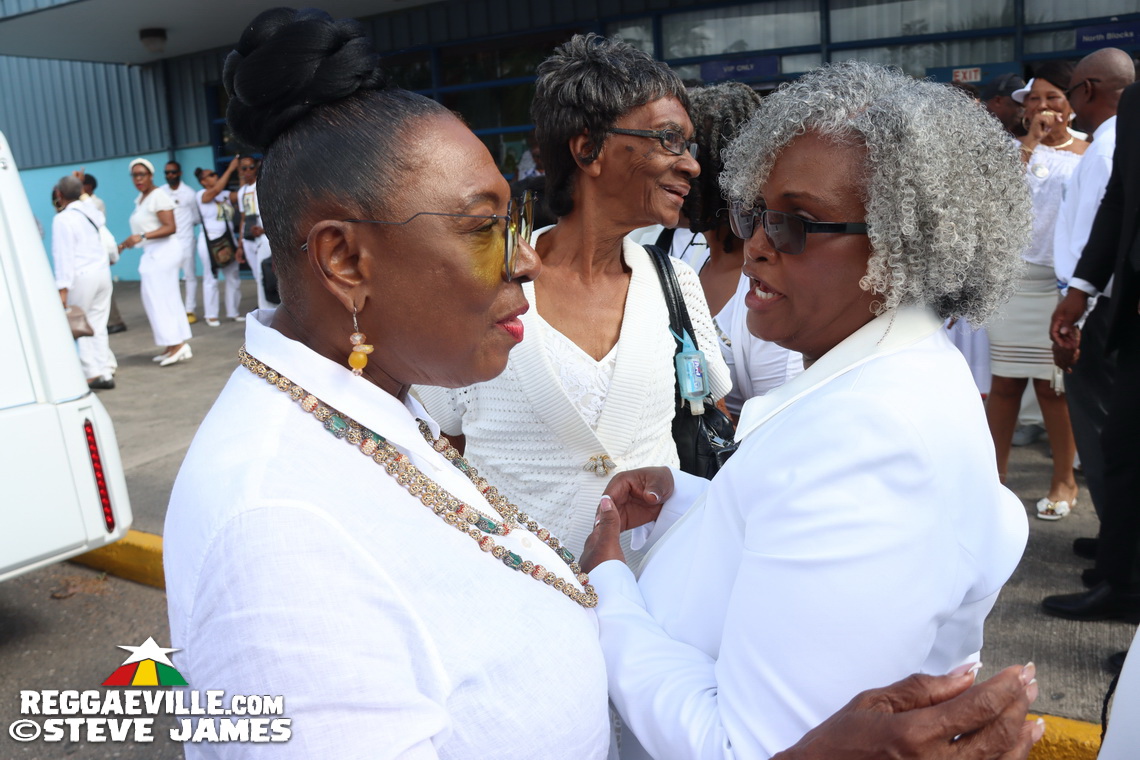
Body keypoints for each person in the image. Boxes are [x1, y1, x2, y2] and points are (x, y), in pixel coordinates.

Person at [165, 11, 1044, 760]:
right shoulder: (270, 534)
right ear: (345, 258)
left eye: (513, 219)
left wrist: (687, 509)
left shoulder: (364, 408)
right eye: (483, 229)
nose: (521, 258)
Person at [580, 61, 1032, 760]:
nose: (757, 244)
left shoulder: (874, 439)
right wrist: (691, 502)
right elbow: (793, 518)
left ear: (904, 246)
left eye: (797, 224)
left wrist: (608, 583)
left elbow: (743, 747)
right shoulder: (887, 385)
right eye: (754, 212)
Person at [416, 34, 730, 569]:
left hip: (658, 602)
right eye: (668, 140)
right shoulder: (484, 286)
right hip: (523, 605)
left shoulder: (677, 284)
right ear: (588, 149)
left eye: (689, 146)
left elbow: (708, 411)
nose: (692, 165)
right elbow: (443, 447)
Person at [1042, 79, 1140, 629]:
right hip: (1119, 303)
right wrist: (1080, 290)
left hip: (1109, 306)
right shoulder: (1135, 108)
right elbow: (1120, 204)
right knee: (1122, 446)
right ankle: (1121, 573)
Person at [985, 62, 1087, 520]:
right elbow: (997, 198)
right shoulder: (1009, 151)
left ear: (1071, 104)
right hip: (1011, 284)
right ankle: (994, 480)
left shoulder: (1090, 152)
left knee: (1053, 389)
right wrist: (1031, 144)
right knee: (1003, 385)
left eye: (1053, 98)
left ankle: (1064, 480)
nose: (1044, 106)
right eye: (1035, 99)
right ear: (1024, 109)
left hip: (1059, 285)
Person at [682, 82, 803, 417]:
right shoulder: (687, 258)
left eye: (683, 151)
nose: (670, 165)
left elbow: (780, 419)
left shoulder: (768, 281)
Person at [119, 157, 192, 366]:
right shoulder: (142, 199)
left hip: (164, 251)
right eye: (134, 175)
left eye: (142, 174)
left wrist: (142, 237)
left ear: (151, 176)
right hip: (153, 251)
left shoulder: (158, 195)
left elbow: (170, 227)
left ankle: (177, 344)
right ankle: (172, 345)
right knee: (161, 297)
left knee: (159, 297)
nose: (138, 179)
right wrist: (130, 242)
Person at [51, 175, 115, 390]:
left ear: (59, 195)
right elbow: (93, 208)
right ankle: (105, 370)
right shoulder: (91, 211)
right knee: (98, 325)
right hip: (102, 274)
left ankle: (92, 373)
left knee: (81, 325)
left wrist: (62, 288)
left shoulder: (63, 219)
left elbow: (63, 256)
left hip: (82, 277)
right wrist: (82, 192)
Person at [193, 158, 243, 326]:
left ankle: (233, 311)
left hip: (227, 240)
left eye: (215, 174)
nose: (215, 176)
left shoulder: (225, 195)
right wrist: (229, 170)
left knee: (233, 275)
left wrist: (240, 172)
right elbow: (214, 192)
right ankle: (211, 314)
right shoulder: (201, 195)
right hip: (210, 241)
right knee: (211, 277)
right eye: (211, 175)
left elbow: (241, 194)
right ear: (203, 181)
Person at [159, 160, 202, 324]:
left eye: (173, 172)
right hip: (167, 242)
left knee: (189, 276)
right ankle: (172, 310)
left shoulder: (189, 193)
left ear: (180, 173)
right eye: (167, 173)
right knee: (169, 277)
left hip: (186, 240)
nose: (170, 175)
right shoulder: (161, 192)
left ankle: (189, 310)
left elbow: (196, 217)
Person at [237, 155, 273, 310]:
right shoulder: (242, 191)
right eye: (244, 168)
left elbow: (275, 214)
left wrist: (264, 230)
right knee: (258, 277)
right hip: (249, 239)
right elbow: (243, 217)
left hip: (264, 237)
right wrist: (240, 244)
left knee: (265, 274)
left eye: (250, 167)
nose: (247, 171)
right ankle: (266, 308)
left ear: (256, 167)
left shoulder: (264, 186)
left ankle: (268, 310)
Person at [981, 72, 1027, 137]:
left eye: (1025, 104)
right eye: (1018, 103)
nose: (1023, 109)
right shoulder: (972, 130)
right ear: (998, 101)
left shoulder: (1019, 133)